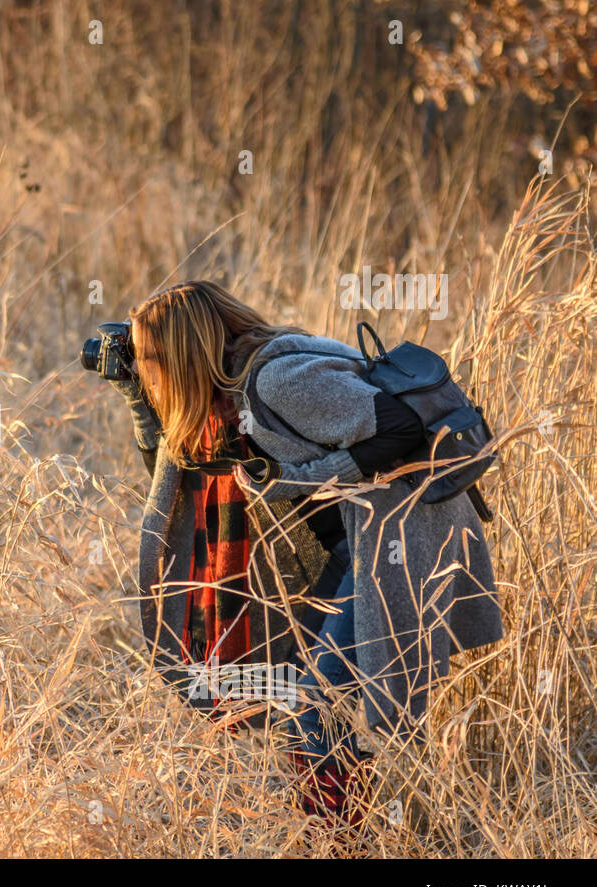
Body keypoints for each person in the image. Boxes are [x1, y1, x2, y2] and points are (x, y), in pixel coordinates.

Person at [112, 280, 503, 823]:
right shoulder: (231, 390)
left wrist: (307, 478)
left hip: (400, 537)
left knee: (318, 704)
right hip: (355, 543)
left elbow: (404, 427)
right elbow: (173, 471)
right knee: (305, 689)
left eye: (150, 358)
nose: (147, 368)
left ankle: (341, 842)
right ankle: (342, 827)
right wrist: (136, 394)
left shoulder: (276, 380)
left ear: (182, 352)